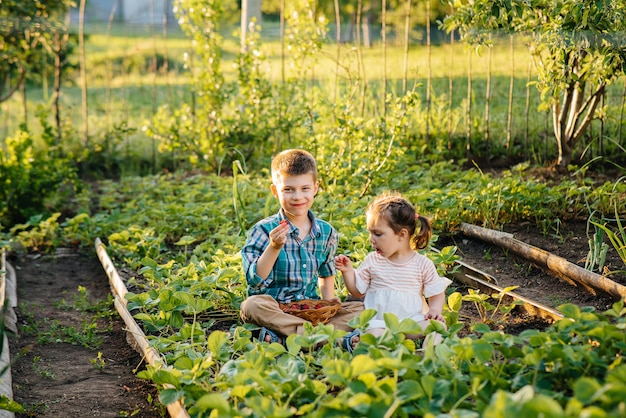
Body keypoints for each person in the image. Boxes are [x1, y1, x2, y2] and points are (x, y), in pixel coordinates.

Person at [240, 149, 363, 345]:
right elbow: (255, 281)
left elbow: (326, 274)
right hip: (276, 309)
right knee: (251, 306)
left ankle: (286, 337)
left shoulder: (326, 232)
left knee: (360, 308)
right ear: (275, 191)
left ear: (315, 188)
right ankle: (324, 338)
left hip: (310, 310)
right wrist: (274, 247)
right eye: (288, 189)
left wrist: (327, 305)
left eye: (305, 188)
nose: (298, 196)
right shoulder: (263, 230)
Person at [335, 191, 452, 352]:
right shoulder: (373, 260)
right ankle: (374, 347)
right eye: (370, 233)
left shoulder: (422, 264)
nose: (371, 239)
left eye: (378, 234)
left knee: (438, 327)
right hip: (380, 323)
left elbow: (436, 292)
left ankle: (428, 352)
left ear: (401, 235)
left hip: (411, 322)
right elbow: (356, 292)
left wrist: (434, 311)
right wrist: (347, 271)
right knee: (373, 335)